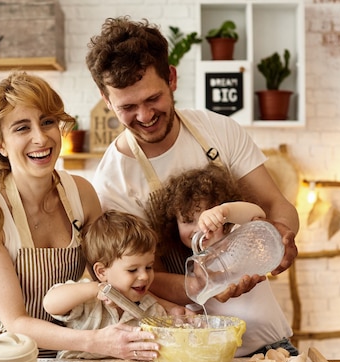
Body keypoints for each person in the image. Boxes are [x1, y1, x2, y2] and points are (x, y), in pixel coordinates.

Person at [85, 16, 299, 306]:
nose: (145, 116)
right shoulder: (112, 182)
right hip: (185, 330)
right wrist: (207, 283)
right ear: (106, 100)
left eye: (153, 99)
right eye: (128, 107)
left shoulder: (219, 130)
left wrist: (283, 233)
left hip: (261, 319)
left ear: (171, 78)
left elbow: (276, 204)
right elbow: (143, 276)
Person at [0, 71, 159, 360]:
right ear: (0, 144)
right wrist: (96, 341)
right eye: (22, 128)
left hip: (72, 356)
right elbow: (16, 322)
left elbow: (110, 276)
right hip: (8, 359)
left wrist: (166, 310)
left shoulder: (81, 195)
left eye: (47, 122)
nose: (40, 137)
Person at [150, 164, 298, 357]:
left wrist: (225, 211)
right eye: (188, 221)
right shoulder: (190, 268)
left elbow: (257, 213)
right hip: (230, 357)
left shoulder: (238, 238)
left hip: (273, 347)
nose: (199, 228)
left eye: (207, 217)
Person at [43, 210, 189, 359]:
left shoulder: (152, 309)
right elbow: (50, 303)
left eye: (149, 267)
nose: (144, 276)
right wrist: (96, 289)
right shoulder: (88, 301)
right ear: (101, 272)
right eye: (132, 270)